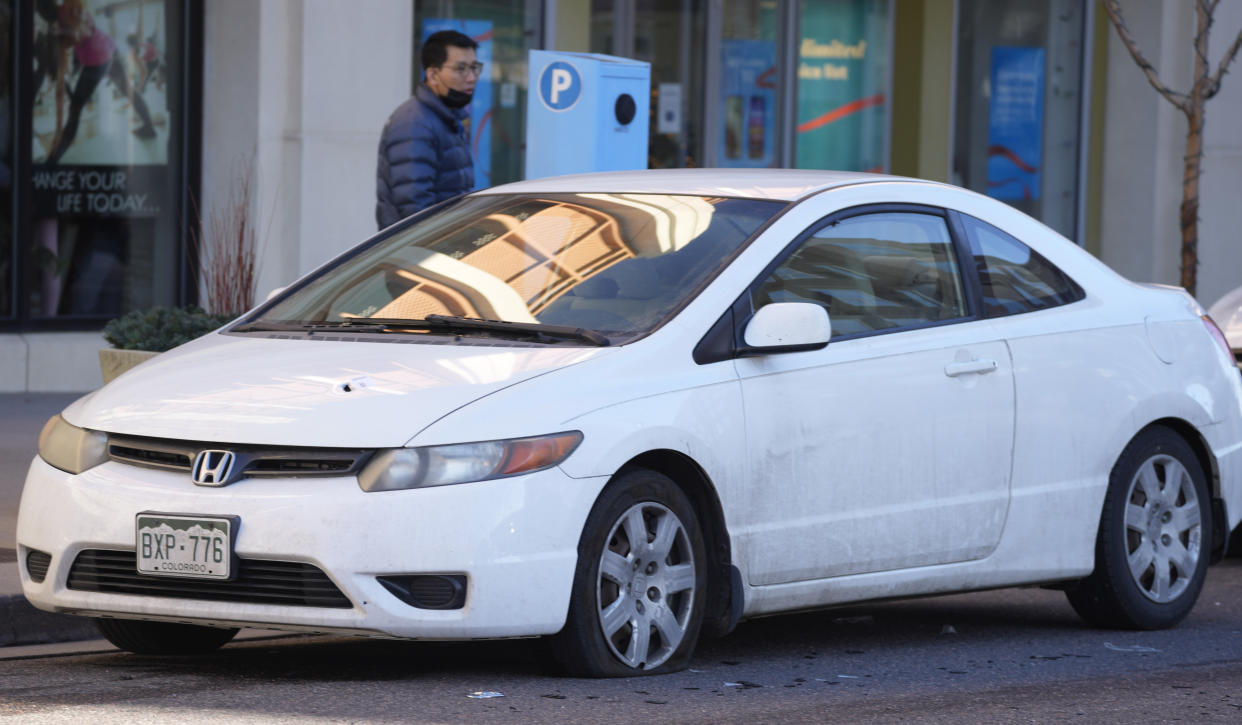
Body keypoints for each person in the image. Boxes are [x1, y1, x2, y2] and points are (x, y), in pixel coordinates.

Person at [375, 30, 480, 230]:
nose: (471, 77)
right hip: (421, 250)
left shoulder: (447, 118)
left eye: (475, 68)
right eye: (461, 69)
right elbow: (415, 209)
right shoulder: (414, 123)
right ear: (433, 74)